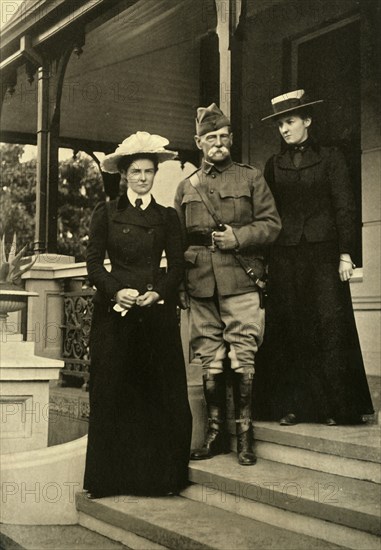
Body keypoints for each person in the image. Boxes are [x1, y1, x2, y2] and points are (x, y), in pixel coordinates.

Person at [254, 89, 374, 426]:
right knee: (291, 327)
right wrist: (265, 261)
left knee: (329, 325)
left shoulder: (332, 158)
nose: (284, 129)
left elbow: (345, 207)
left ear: (307, 120)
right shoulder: (273, 165)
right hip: (285, 257)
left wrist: (346, 254)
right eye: (280, 124)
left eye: (290, 121)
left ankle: (337, 407)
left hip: (324, 255)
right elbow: (267, 214)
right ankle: (293, 406)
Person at [84, 131, 192, 497]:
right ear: (124, 175)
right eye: (136, 171)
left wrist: (157, 292)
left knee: (157, 394)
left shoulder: (167, 218)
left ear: (154, 174)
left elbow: (177, 267)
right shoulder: (107, 213)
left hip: (154, 315)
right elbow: (93, 265)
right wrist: (118, 290)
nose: (143, 178)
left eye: (148, 171)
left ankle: (158, 480)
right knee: (113, 391)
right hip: (115, 316)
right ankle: (109, 480)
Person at [174, 104, 281, 465]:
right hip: (200, 281)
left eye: (223, 137)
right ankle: (216, 435)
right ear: (198, 142)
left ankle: (245, 437)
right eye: (210, 138)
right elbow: (176, 240)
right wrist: (178, 286)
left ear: (231, 139)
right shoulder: (186, 186)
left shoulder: (250, 177)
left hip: (241, 277)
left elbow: (271, 225)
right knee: (211, 357)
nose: (217, 144)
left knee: (243, 354)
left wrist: (239, 237)